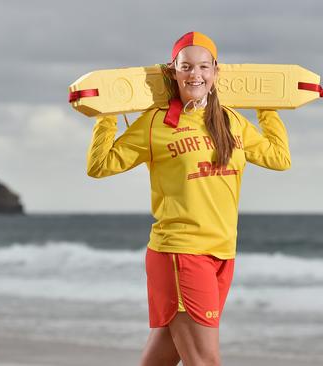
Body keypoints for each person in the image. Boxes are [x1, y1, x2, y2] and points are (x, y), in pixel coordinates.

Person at [86, 31, 291, 366]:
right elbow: (100, 164)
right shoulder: (155, 123)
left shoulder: (232, 122)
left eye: (203, 67)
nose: (195, 74)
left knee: (161, 359)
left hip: (223, 253)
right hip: (180, 252)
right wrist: (107, 114)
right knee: (205, 361)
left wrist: (267, 105)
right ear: (173, 72)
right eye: (186, 67)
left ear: (215, 71)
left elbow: (279, 157)